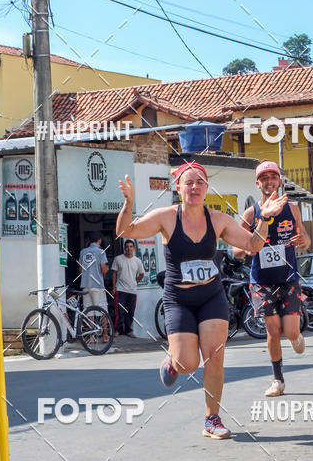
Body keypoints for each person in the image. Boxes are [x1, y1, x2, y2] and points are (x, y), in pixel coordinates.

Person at [116, 160, 287, 440]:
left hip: (211, 296)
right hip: (179, 299)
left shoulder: (218, 220)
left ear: (206, 187)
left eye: (200, 182)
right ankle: (173, 361)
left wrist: (265, 220)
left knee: (215, 357)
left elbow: (252, 245)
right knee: (187, 364)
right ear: (178, 187)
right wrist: (129, 203)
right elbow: (126, 232)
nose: (194, 187)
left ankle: (212, 419)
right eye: (189, 182)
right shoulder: (166, 217)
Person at [233, 161, 311, 398]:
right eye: (264, 178)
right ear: (258, 184)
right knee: (273, 329)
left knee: (291, 332)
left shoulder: (292, 209)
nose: (269, 181)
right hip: (262, 281)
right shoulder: (251, 213)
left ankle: (296, 336)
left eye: (273, 177)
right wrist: (250, 246)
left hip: (288, 277)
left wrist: (304, 241)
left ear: (279, 181)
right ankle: (278, 380)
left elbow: (305, 238)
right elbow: (236, 251)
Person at [112, 239, 144, 337]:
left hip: (132, 290)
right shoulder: (118, 259)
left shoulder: (137, 261)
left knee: (130, 312)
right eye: (127, 247)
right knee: (119, 311)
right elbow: (114, 273)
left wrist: (135, 282)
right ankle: (117, 330)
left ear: (133, 248)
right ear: (124, 248)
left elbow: (141, 274)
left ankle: (128, 331)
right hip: (120, 289)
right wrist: (114, 287)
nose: (129, 248)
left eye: (131, 247)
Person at [78, 233, 108, 310]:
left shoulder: (83, 251)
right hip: (97, 285)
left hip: (85, 285)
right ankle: (103, 319)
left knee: (88, 310)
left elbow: (80, 269)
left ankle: (90, 319)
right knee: (102, 309)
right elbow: (104, 270)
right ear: (99, 240)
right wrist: (107, 269)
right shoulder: (101, 252)